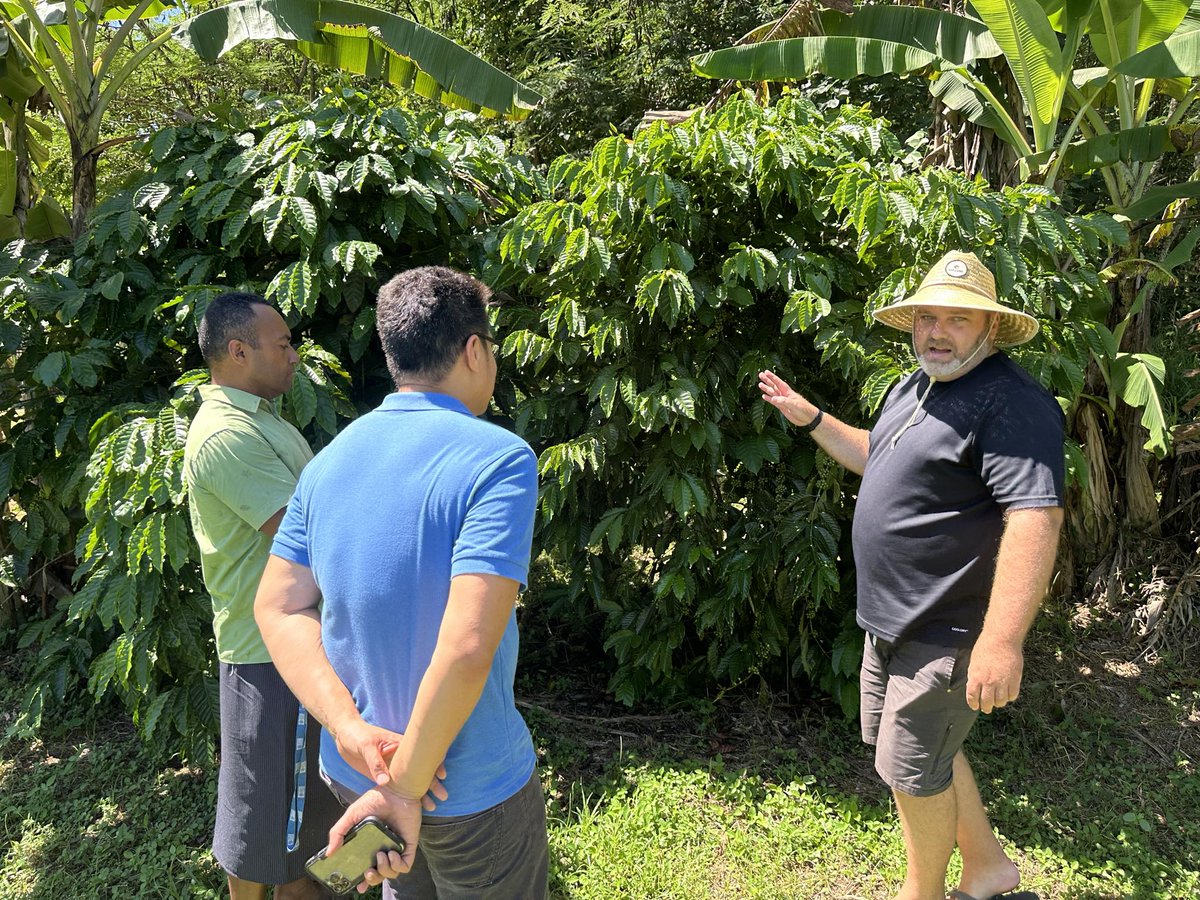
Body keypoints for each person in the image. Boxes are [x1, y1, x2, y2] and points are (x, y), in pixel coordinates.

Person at [759, 251, 1063, 900]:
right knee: (923, 756)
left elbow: (1035, 519)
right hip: (890, 621)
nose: (937, 331)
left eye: (957, 319)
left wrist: (1002, 641)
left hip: (947, 627)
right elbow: (879, 456)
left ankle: (919, 893)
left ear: (989, 327)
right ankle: (988, 871)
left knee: (910, 771)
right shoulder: (915, 386)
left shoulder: (1012, 404)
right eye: (927, 316)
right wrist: (812, 418)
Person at [254, 265, 549, 898]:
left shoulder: (329, 462)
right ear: (473, 349)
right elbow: (468, 646)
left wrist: (350, 731)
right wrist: (407, 787)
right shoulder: (499, 459)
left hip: (357, 772)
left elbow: (277, 607)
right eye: (490, 344)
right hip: (468, 787)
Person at [183, 291, 340, 899]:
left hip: (294, 642)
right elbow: (307, 534)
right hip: (271, 653)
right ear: (238, 350)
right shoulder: (227, 434)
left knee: (296, 820)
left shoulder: (263, 421)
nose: (295, 356)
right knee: (263, 821)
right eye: (283, 344)